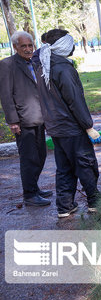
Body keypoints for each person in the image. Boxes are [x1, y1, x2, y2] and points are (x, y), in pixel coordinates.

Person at [37, 29, 101, 219]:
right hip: (71, 127)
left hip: (56, 128)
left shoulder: (44, 66)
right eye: (71, 43)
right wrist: (88, 126)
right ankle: (94, 201)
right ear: (64, 46)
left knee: (64, 168)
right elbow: (74, 100)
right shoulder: (63, 68)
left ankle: (65, 206)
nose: (74, 46)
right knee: (86, 164)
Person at [0, 31, 51, 206]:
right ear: (15, 47)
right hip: (22, 120)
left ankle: (34, 187)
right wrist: (12, 121)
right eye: (24, 46)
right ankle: (29, 195)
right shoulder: (7, 65)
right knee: (29, 158)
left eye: (30, 45)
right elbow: (5, 96)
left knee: (41, 155)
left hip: (39, 117)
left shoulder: (35, 63)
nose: (28, 49)